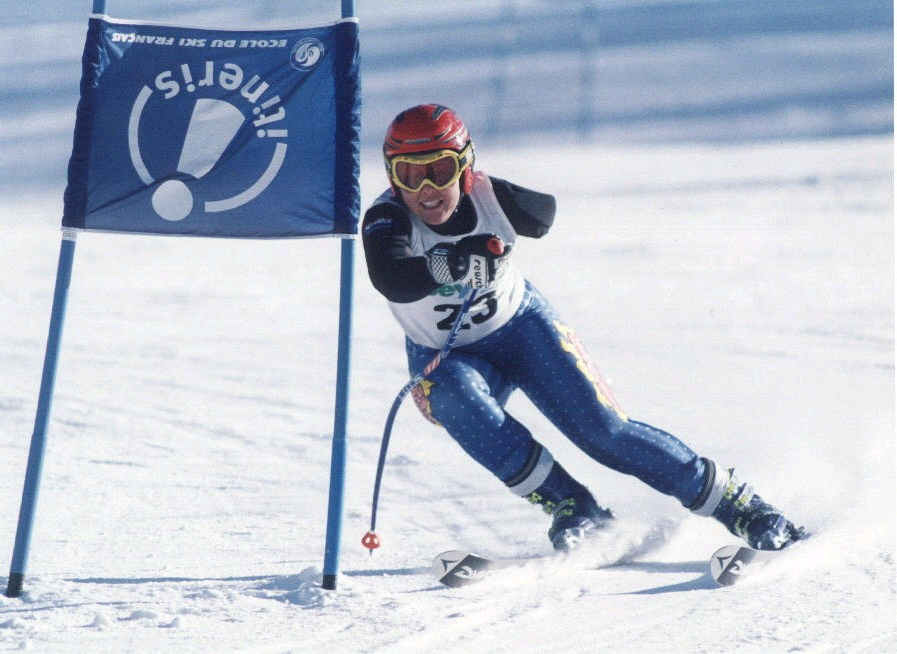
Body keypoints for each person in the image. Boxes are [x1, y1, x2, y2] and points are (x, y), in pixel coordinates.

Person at [361, 103, 806, 552]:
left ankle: (742, 506)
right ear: (392, 178)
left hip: (521, 331)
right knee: (457, 401)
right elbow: (391, 277)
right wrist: (452, 261)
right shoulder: (387, 218)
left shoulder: (486, 195)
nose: (428, 190)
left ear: (466, 165)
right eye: (409, 175)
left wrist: (492, 211)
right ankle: (574, 507)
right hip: (447, 355)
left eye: (440, 169)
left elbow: (544, 214)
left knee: (604, 433)